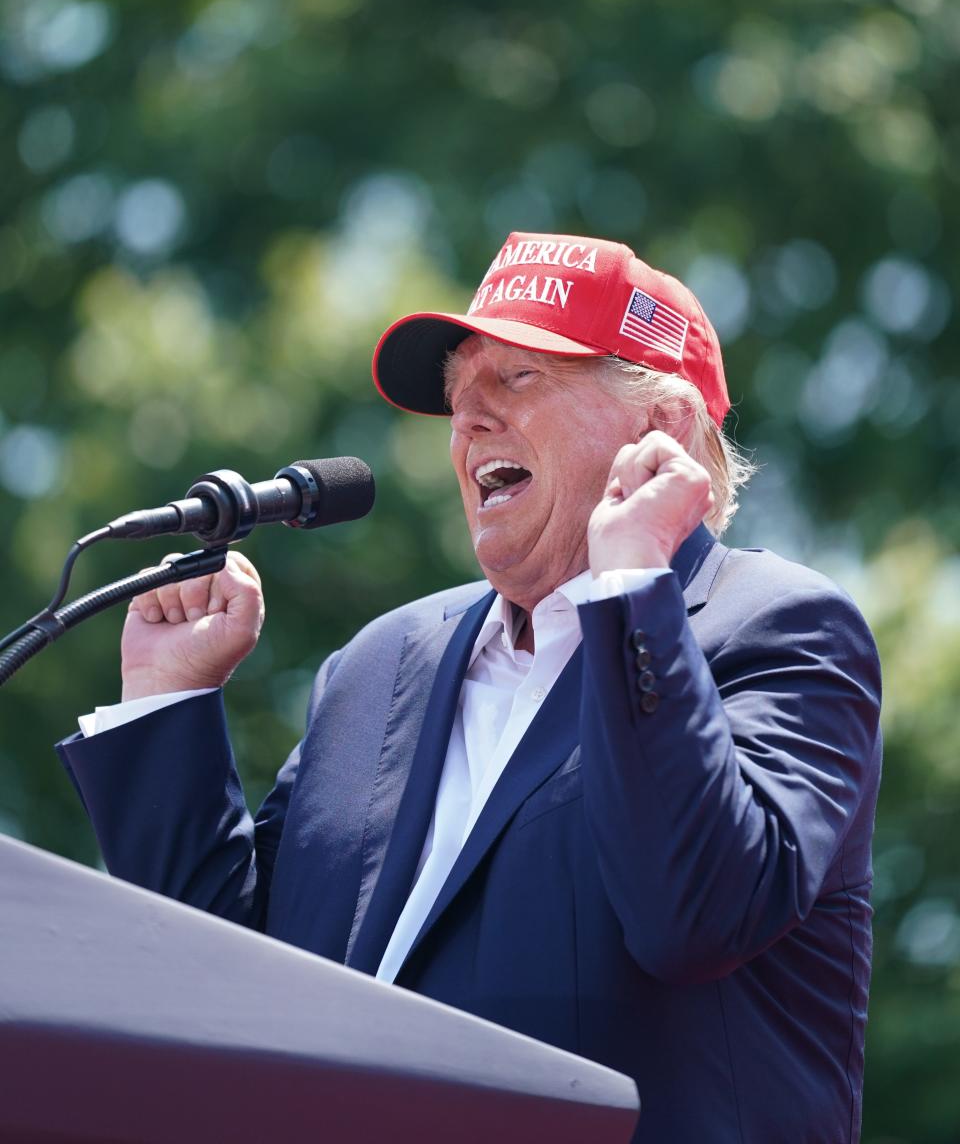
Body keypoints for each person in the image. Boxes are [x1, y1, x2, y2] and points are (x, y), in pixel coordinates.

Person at [58, 231, 881, 1144]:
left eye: (518, 379)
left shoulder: (775, 627)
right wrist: (167, 700)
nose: (469, 423)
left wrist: (630, 586)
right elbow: (226, 994)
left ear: (664, 430)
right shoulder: (381, 664)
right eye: (457, 399)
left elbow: (691, 914)